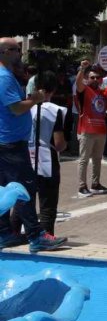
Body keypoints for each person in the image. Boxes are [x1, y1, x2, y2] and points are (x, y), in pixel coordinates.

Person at [0, 37, 66, 252]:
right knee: (24, 190)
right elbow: (16, 108)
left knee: (4, 191)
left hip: (5, 142)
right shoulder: (4, 77)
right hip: (11, 143)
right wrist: (36, 99)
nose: (19, 52)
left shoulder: (8, 76)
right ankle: (36, 236)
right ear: (3, 53)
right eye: (15, 49)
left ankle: (4, 234)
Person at [10, 71, 68, 236]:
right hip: (46, 158)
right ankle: (46, 235)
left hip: (25, 155)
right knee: (47, 202)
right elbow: (58, 144)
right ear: (54, 90)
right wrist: (64, 145)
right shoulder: (56, 110)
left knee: (22, 199)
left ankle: (13, 233)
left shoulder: (24, 107)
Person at [74, 60, 107, 196]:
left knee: (97, 159)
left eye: (97, 77)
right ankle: (82, 186)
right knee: (84, 159)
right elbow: (78, 84)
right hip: (87, 130)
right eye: (92, 77)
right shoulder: (84, 90)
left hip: (101, 130)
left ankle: (96, 183)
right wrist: (82, 69)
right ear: (87, 79)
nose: (95, 79)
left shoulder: (102, 92)